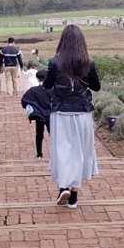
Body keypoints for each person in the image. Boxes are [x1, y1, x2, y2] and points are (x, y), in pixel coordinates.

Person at [42, 24, 101, 209]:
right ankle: (74, 195)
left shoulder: (55, 62)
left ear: (63, 41)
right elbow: (97, 86)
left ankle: (63, 187)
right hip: (82, 112)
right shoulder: (88, 63)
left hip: (60, 112)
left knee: (62, 151)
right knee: (80, 152)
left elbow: (46, 85)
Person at [20, 69, 51, 160]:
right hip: (50, 115)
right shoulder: (52, 90)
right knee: (53, 135)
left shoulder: (33, 91)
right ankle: (55, 153)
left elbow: (24, 101)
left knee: (39, 135)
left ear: (37, 79)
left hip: (38, 115)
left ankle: (39, 154)